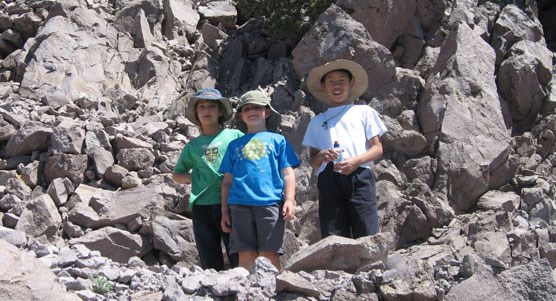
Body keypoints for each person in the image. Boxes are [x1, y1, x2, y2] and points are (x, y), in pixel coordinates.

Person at [302, 59, 387, 239]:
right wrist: (323, 155)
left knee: (366, 227)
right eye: (331, 81)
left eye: (342, 80)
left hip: (360, 173)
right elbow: (313, 161)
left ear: (351, 83)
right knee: (333, 229)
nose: (337, 85)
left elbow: (377, 148)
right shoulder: (317, 121)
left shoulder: (364, 112)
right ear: (324, 86)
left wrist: (356, 161)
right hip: (329, 178)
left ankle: (370, 265)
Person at [219, 89, 300, 272]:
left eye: (257, 107)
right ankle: (245, 293)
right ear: (241, 115)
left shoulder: (279, 141)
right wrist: (224, 210)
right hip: (239, 204)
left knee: (269, 252)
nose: (251, 111)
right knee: (244, 253)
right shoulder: (234, 145)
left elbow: (288, 173)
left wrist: (289, 200)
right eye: (246, 109)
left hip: (270, 203)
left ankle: (272, 291)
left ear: (268, 111)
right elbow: (227, 180)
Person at [172, 87, 243, 271]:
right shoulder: (192, 146)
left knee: (238, 255)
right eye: (201, 107)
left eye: (211, 106)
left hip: (232, 202)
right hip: (202, 205)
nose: (206, 111)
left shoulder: (234, 136)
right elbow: (177, 174)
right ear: (196, 113)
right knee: (209, 258)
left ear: (220, 111)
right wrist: (194, 178)